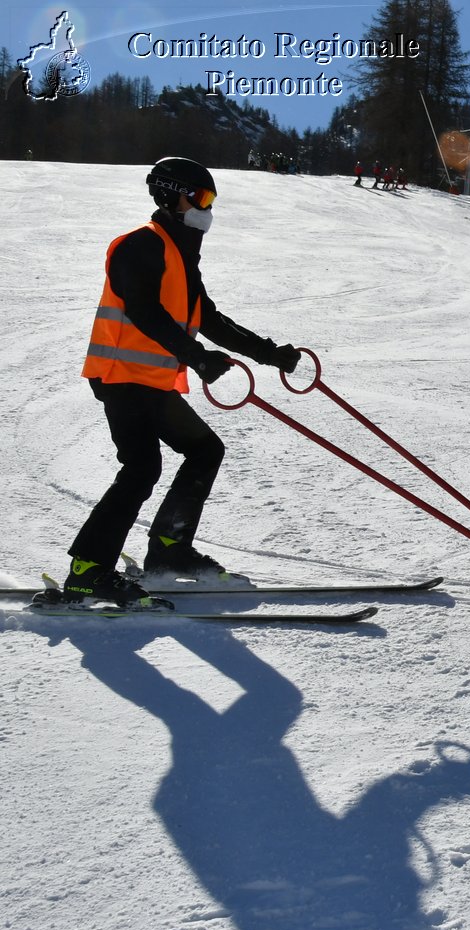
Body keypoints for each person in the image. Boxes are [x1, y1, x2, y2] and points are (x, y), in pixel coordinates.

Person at [59, 157, 302, 605]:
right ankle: (88, 571)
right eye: (202, 197)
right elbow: (144, 312)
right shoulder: (139, 246)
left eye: (210, 200)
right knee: (141, 467)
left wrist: (273, 356)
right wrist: (197, 358)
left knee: (205, 449)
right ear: (173, 196)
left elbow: (210, 319)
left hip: (152, 381)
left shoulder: (180, 255)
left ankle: (170, 551)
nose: (207, 208)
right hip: (121, 376)